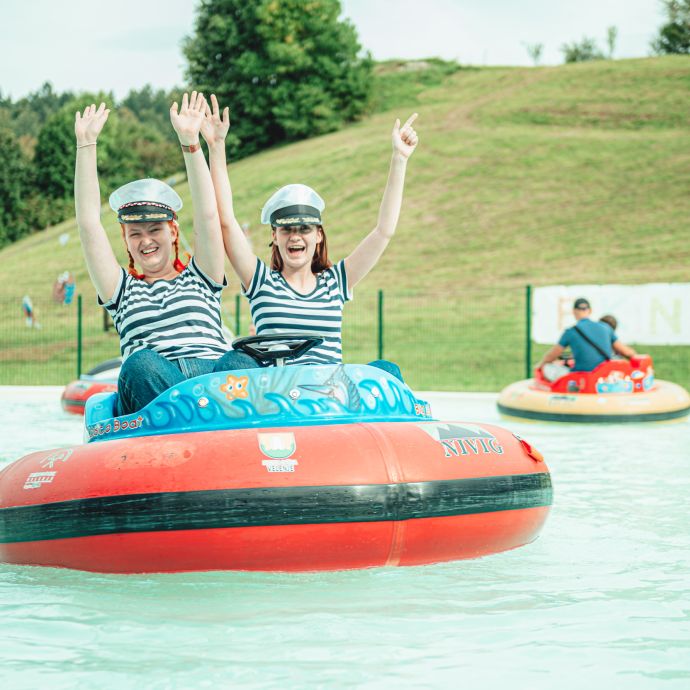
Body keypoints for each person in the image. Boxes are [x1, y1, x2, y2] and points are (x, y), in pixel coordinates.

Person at [201, 95, 418, 380]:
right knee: (234, 363)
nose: (295, 236)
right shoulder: (261, 281)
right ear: (275, 236)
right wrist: (217, 147)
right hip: (276, 392)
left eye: (304, 229)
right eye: (287, 229)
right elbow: (227, 222)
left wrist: (399, 159)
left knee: (386, 371)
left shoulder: (335, 283)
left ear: (318, 235)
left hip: (327, 395)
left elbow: (383, 231)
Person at [74, 94, 254, 416]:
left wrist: (190, 144)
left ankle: (219, 425)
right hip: (156, 391)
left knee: (241, 359)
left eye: (155, 229)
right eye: (135, 234)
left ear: (172, 232)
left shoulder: (201, 276)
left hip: (214, 384)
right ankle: (191, 423)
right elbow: (89, 225)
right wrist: (86, 146)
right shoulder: (121, 290)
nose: (146, 240)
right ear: (126, 241)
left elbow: (208, 215)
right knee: (140, 362)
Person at [536, 298, 636, 381]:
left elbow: (551, 356)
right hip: (603, 376)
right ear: (590, 311)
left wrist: (540, 365)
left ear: (574, 312)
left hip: (580, 377)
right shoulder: (606, 327)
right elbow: (626, 352)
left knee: (547, 368)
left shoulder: (570, 332)